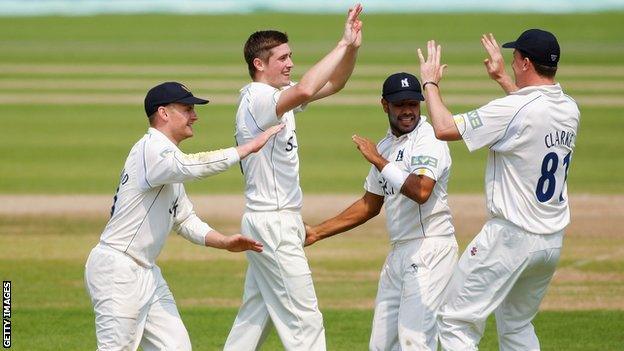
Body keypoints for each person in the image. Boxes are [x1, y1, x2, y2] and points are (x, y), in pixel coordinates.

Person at [84, 81, 283, 350]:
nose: (195, 116)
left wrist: (223, 242)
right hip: (119, 269)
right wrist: (245, 149)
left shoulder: (167, 161)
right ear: (164, 113)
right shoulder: (152, 149)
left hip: (146, 272)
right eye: (187, 109)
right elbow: (190, 166)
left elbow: (185, 219)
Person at [417, 29, 580, 350]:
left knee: (454, 321)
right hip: (550, 242)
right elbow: (529, 114)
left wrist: (430, 83)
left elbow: (444, 128)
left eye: (515, 57)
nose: (511, 61)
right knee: (517, 324)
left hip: (510, 237)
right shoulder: (570, 108)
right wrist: (504, 79)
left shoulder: (515, 109)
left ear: (526, 62)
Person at [224, 4, 363, 351]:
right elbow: (303, 91)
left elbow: (335, 82)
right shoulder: (259, 97)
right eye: (282, 58)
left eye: (291, 56)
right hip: (273, 222)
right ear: (259, 64)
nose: (290, 63)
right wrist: (341, 43)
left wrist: (352, 49)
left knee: (255, 318)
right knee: (305, 321)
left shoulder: (273, 98)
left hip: (269, 220)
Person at [305, 72, 458, 351]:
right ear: (385, 105)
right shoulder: (387, 145)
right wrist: (316, 232)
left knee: (415, 341)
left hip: (430, 248)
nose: (408, 111)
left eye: (413, 103)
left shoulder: (429, 139)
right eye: (400, 105)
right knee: (381, 344)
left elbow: (422, 191)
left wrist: (377, 159)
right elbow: (369, 204)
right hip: (399, 251)